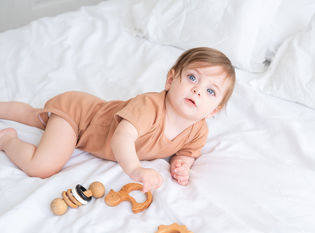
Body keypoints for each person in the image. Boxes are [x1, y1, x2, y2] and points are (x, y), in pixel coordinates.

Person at [0, 47, 236, 192]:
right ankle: (8, 141)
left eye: (211, 91)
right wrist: (135, 169)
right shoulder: (150, 106)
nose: (197, 90)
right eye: (192, 77)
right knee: (42, 165)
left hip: (87, 118)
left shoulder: (198, 131)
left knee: (36, 115)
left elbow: (188, 151)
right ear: (170, 80)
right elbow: (122, 137)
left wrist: (182, 163)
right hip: (79, 116)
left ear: (214, 110)